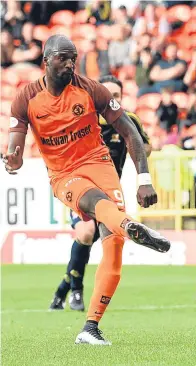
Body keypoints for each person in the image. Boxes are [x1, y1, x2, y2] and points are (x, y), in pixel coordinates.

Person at [2, 35, 170, 345]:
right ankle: (128, 226)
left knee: (115, 245)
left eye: (73, 58)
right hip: (64, 173)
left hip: (98, 163)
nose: (69, 63)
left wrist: (144, 179)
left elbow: (129, 131)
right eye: (62, 58)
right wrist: (12, 158)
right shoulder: (25, 98)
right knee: (98, 207)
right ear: (46, 61)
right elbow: (15, 145)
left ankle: (90, 327)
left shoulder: (92, 89)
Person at [49, 75, 151, 312]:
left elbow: (146, 146)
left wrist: (134, 150)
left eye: (116, 95)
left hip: (109, 192)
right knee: (86, 233)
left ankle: (63, 288)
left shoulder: (129, 121)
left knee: (94, 241)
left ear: (121, 98)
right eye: (107, 94)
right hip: (82, 190)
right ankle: (76, 291)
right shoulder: (83, 119)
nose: (111, 99)